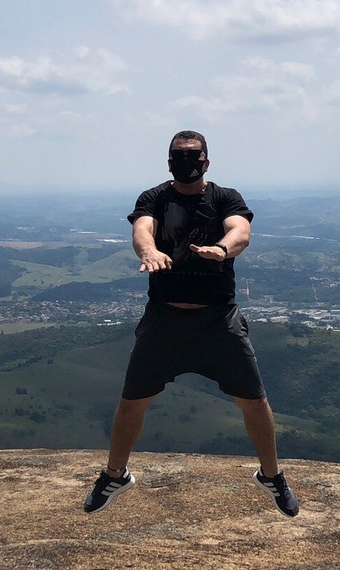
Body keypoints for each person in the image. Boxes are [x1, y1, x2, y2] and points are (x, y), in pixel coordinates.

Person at [83, 130, 299, 517]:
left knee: (255, 401)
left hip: (218, 320)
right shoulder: (154, 197)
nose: (186, 162)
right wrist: (149, 251)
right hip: (164, 317)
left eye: (193, 155)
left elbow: (241, 231)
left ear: (206, 161)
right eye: (179, 156)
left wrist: (221, 249)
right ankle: (116, 475)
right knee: (132, 402)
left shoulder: (225, 197)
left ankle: (271, 476)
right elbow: (142, 230)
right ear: (169, 162)